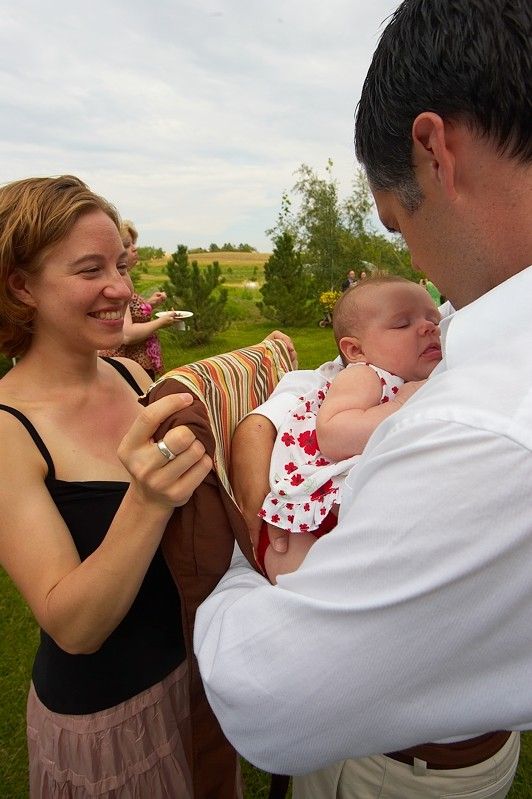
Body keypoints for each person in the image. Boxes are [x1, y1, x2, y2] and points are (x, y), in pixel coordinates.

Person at [193, 0, 531, 797]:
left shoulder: (482, 429)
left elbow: (269, 700)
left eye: (395, 224)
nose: (413, 264)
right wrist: (261, 431)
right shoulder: (475, 326)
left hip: (395, 770)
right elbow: (323, 382)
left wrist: (238, 557)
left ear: (433, 150)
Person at [0, 175, 221, 798]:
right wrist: (148, 499)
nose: (121, 290)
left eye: (121, 265)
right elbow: (74, 627)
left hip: (193, 677)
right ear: (21, 285)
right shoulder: (9, 429)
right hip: (110, 719)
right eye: (90, 269)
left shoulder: (128, 374)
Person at [259, 276, 442, 581]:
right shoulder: (365, 376)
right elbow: (333, 435)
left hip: (332, 511)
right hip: (303, 520)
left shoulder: (405, 379)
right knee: (307, 588)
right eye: (402, 324)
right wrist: (399, 408)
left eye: (433, 318)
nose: (428, 327)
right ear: (356, 351)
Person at [100, 219, 174, 379]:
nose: (134, 248)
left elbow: (125, 314)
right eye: (127, 245)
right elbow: (127, 335)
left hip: (134, 366)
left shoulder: (124, 280)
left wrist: (149, 304)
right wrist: (162, 322)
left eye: (133, 243)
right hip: (127, 369)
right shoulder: (118, 287)